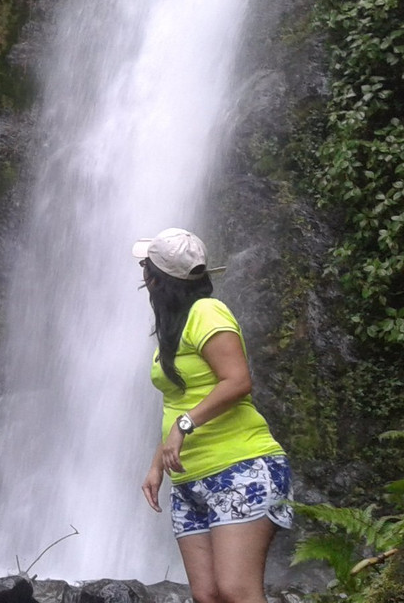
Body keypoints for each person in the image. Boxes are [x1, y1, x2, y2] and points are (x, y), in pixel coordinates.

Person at [133, 228, 292, 603]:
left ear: (155, 279)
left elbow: (237, 380)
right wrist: (156, 464)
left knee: (236, 591)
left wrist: (185, 427)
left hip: (241, 468)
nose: (142, 273)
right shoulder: (174, 328)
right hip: (191, 480)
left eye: (145, 266)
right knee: (207, 596)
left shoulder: (207, 311)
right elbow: (178, 404)